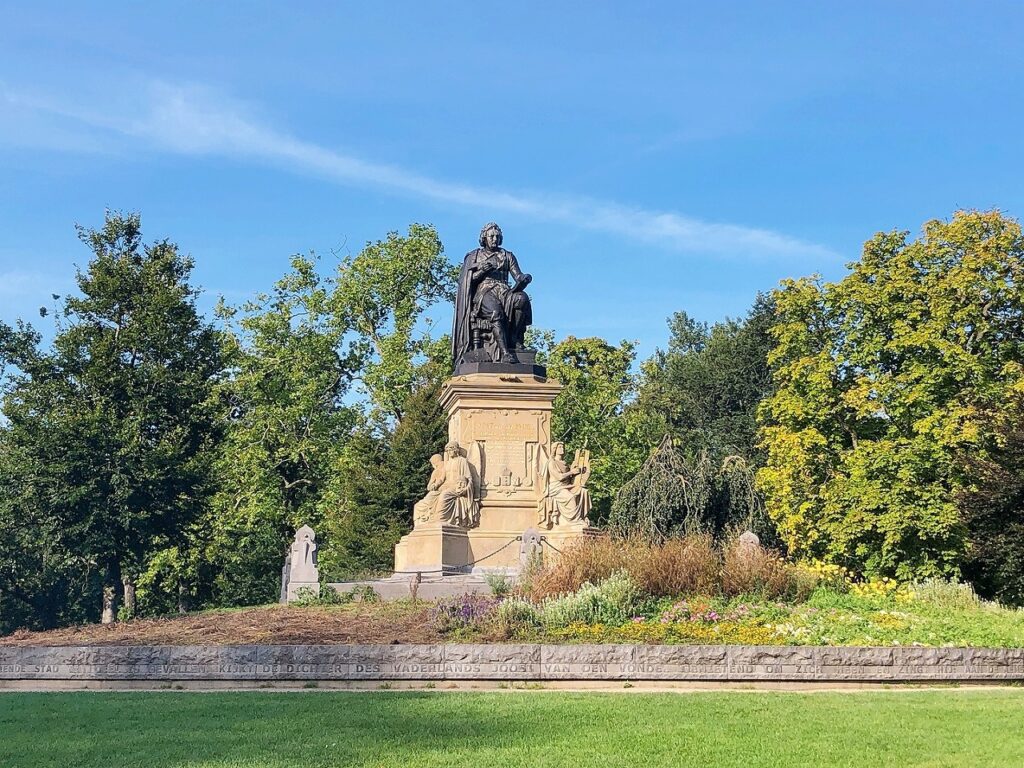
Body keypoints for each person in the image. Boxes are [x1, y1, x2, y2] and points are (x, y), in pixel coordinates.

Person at [452, 222, 533, 367]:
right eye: (491, 236)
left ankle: (513, 340)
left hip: (504, 291)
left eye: (497, 236)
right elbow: (467, 281)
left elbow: (517, 275)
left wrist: (524, 278)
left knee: (522, 298)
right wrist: (482, 270)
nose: (494, 239)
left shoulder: (507, 256)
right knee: (496, 312)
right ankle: (505, 353)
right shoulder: (474, 256)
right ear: (484, 238)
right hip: (484, 292)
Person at [538, 442, 591, 527]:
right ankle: (575, 520)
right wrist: (571, 472)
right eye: (559, 447)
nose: (562, 449)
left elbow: (568, 478)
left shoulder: (564, 463)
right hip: (555, 488)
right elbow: (559, 477)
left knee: (583, 491)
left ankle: (583, 517)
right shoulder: (551, 462)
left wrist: (577, 473)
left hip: (566, 486)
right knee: (570, 497)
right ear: (554, 450)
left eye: (563, 447)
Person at [437, 441, 479, 527]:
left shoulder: (462, 461)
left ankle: (440, 518)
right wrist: (435, 485)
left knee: (444, 495)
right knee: (430, 498)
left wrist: (466, 489)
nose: (449, 452)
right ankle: (432, 519)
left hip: (456, 487)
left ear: (456, 450)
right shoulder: (447, 463)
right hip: (446, 485)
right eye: (447, 451)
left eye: (450, 450)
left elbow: (469, 478)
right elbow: (442, 478)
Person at [413, 454, 445, 523]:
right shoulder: (447, 466)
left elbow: (429, 486)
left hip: (436, 492)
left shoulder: (437, 470)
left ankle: (421, 522)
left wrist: (434, 485)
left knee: (417, 506)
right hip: (440, 490)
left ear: (435, 462)